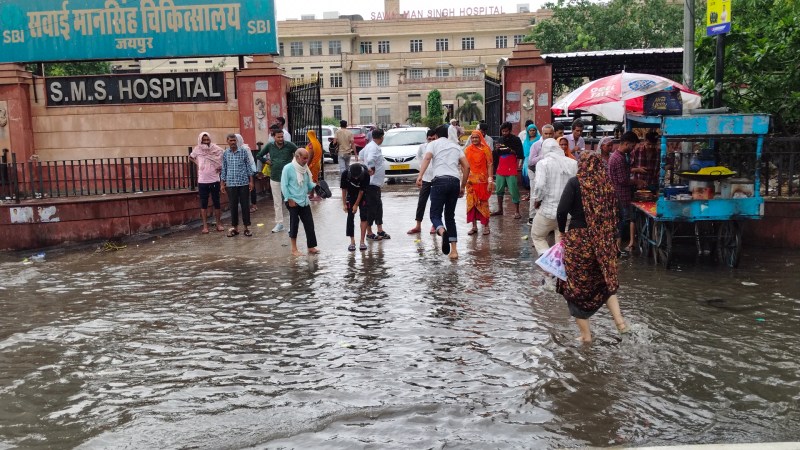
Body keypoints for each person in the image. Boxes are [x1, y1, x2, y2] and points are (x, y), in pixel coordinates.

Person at [556, 152, 630, 343]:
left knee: (575, 287)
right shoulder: (607, 185)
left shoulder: (575, 182)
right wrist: (608, 235)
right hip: (604, 244)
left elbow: (562, 211)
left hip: (580, 242)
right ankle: (621, 324)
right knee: (604, 282)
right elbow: (620, 215)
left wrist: (563, 232)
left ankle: (586, 336)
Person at [417, 125, 470, 259]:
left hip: (439, 181)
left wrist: (420, 176)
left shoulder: (433, 144)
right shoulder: (456, 147)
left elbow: (427, 158)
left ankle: (441, 230)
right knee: (450, 216)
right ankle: (454, 251)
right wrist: (462, 186)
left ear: (436, 135)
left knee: (435, 215)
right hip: (454, 182)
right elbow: (467, 166)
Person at [531, 138, 578, 255]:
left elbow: (540, 186)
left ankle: (548, 260)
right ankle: (561, 264)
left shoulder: (543, 163)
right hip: (567, 213)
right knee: (561, 241)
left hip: (548, 211)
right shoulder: (573, 163)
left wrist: (537, 199)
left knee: (538, 236)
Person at [608, 131, 647, 253]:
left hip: (619, 194)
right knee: (620, 222)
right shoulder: (618, 158)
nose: (632, 148)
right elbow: (623, 180)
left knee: (620, 221)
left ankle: (617, 248)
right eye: (632, 146)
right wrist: (636, 181)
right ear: (625, 143)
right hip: (620, 195)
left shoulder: (618, 156)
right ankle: (616, 249)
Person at [257, 129, 298, 233]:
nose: (281, 139)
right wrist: (267, 162)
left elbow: (299, 154)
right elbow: (259, 155)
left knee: (290, 200)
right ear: (273, 137)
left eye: (282, 136)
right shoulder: (270, 146)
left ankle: (292, 224)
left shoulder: (289, 145)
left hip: (288, 178)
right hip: (274, 177)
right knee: (277, 202)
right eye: (278, 137)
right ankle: (279, 223)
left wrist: (293, 164)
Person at [281, 148, 319, 256]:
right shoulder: (288, 168)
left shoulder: (305, 169)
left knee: (309, 224)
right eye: (304, 158)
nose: (306, 160)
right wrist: (289, 199)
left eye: (307, 158)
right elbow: (284, 185)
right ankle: (294, 249)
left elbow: (308, 184)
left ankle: (311, 247)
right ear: (297, 157)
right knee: (294, 224)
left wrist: (316, 185)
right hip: (292, 200)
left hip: (304, 200)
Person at [189, 131, 225, 234]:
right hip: (202, 180)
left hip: (214, 179)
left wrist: (219, 167)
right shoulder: (197, 149)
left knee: (216, 203)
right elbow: (191, 157)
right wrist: (198, 164)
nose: (206, 142)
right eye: (203, 140)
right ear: (200, 140)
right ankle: (205, 226)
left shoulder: (216, 148)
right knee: (203, 204)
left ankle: (218, 224)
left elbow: (222, 157)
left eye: (207, 139)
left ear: (210, 139)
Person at [220, 133, 255, 237]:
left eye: (234, 140)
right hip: (230, 184)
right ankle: (235, 228)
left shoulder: (243, 152)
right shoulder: (226, 153)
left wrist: (251, 181)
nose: (233, 143)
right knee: (233, 206)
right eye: (230, 141)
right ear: (227, 141)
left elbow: (248, 167)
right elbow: (224, 169)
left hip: (243, 182)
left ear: (237, 141)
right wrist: (222, 183)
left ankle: (247, 228)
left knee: (245, 205)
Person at [360, 128, 391, 241]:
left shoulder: (370, 145)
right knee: (371, 208)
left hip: (376, 183)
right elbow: (370, 158)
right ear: (382, 137)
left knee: (378, 207)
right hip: (372, 183)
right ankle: (369, 232)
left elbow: (361, 154)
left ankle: (380, 229)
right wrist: (371, 168)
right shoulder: (373, 147)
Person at [407, 129, 438, 235]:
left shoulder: (438, 147)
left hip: (436, 179)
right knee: (421, 202)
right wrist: (422, 171)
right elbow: (420, 157)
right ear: (426, 139)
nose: (431, 141)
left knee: (435, 203)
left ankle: (435, 225)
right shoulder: (422, 147)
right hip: (425, 178)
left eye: (433, 139)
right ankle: (418, 225)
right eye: (429, 139)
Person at [464, 130, 494, 236]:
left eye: (476, 137)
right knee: (471, 204)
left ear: (480, 137)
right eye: (472, 138)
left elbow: (490, 165)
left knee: (483, 203)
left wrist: (490, 180)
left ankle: (486, 227)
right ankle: (474, 227)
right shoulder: (467, 150)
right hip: (470, 182)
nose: (474, 139)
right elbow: (464, 166)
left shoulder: (486, 149)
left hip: (483, 181)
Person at [492, 121, 524, 218]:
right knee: (499, 189)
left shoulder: (516, 140)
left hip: (511, 167)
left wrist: (510, 150)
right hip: (501, 167)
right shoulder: (499, 140)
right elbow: (495, 155)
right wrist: (497, 149)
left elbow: (520, 154)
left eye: (506, 131)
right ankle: (500, 209)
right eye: (503, 131)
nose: (504, 133)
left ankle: (517, 211)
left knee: (513, 189)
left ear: (510, 131)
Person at [527, 124, 555, 224]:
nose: (548, 136)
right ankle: (532, 217)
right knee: (535, 192)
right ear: (542, 134)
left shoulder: (555, 145)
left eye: (550, 134)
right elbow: (530, 161)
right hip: (534, 171)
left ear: (553, 134)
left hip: (549, 172)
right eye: (546, 133)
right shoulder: (536, 145)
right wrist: (543, 156)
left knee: (547, 193)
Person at [341, 162, 370, 251]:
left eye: (358, 177)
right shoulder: (345, 174)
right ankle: (352, 241)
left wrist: (356, 205)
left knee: (364, 217)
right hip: (351, 194)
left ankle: (362, 241)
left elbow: (362, 191)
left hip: (363, 195)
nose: (356, 178)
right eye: (355, 177)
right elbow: (344, 189)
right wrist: (344, 203)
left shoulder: (365, 174)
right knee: (350, 217)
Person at [521, 123, 540, 196]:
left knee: (536, 178)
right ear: (528, 132)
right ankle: (529, 194)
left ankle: (536, 195)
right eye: (530, 130)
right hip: (526, 161)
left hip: (536, 160)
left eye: (534, 130)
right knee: (527, 178)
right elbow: (523, 152)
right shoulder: (526, 141)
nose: (532, 132)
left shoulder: (539, 140)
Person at [306, 129, 324, 201]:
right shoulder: (317, 143)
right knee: (313, 180)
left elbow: (310, 157)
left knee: (314, 181)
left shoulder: (311, 145)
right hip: (316, 164)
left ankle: (319, 195)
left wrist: (306, 166)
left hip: (312, 165)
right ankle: (311, 194)